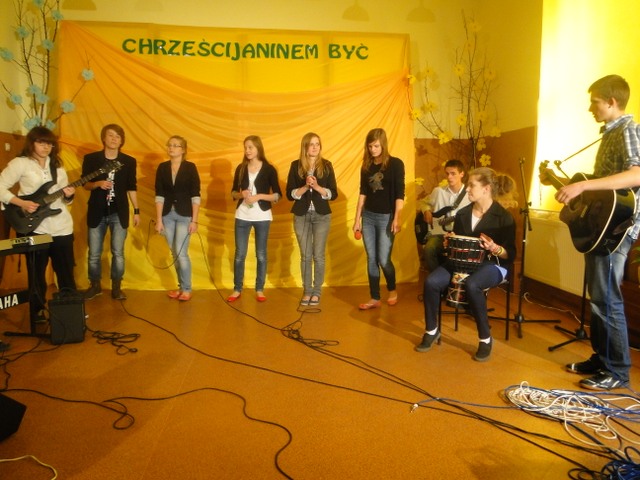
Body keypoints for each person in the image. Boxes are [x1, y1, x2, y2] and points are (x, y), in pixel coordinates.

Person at [551, 74, 640, 391]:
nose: (591, 108)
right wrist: (570, 185)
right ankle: (602, 359)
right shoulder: (610, 134)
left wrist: (583, 186)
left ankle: (617, 370)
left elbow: (636, 173)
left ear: (612, 102)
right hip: (603, 228)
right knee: (598, 298)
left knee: (607, 300)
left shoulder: (629, 129)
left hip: (618, 230)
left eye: (595, 102)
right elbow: (606, 187)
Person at [416, 167, 516, 362]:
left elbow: (509, 255)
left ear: (486, 189)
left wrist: (495, 248)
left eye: (471, 185)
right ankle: (432, 330)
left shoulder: (504, 217)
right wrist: (451, 242)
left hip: (494, 264)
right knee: (431, 282)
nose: (467, 189)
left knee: (473, 284)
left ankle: (485, 339)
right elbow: (458, 246)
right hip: (462, 262)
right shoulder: (463, 214)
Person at [0, 126, 77, 324]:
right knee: (36, 274)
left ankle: (70, 313)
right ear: (32, 143)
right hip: (35, 227)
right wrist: (21, 203)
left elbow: (65, 199)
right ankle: (38, 312)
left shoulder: (58, 166)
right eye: (41, 142)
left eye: (49, 143)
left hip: (61, 227)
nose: (46, 147)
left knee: (66, 272)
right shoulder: (20, 163)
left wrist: (69, 195)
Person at [82, 124, 139, 300]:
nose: (114, 139)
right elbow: (85, 184)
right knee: (94, 253)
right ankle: (95, 285)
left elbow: (131, 187)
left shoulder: (129, 161)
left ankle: (116, 287)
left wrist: (136, 210)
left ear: (121, 141)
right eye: (111, 135)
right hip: (97, 210)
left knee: (118, 252)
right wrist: (97, 184)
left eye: (118, 136)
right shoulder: (91, 159)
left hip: (118, 212)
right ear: (103, 138)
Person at [353, 128, 405, 310]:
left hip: (386, 218)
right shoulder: (366, 166)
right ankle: (374, 297)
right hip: (368, 217)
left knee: (383, 259)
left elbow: (400, 193)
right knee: (372, 258)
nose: (373, 150)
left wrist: (397, 218)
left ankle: (392, 289)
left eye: (376, 146)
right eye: (370, 146)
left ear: (383, 144)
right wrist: (357, 220)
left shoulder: (396, 164)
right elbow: (362, 193)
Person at [286, 132, 338, 306]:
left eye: (317, 144)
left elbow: (333, 193)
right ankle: (307, 291)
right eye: (311, 144)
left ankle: (317, 292)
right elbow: (289, 194)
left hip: (321, 215)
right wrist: (304, 187)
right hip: (301, 216)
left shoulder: (327, 165)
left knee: (318, 255)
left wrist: (316, 187)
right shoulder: (295, 165)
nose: (315, 147)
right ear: (305, 147)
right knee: (305, 256)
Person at [229, 135, 282, 303]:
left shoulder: (269, 169)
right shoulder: (241, 168)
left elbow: (277, 195)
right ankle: (237, 288)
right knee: (240, 254)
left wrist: (259, 196)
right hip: (242, 216)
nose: (247, 150)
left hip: (262, 216)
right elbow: (233, 193)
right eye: (245, 147)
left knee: (261, 254)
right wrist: (241, 194)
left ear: (258, 148)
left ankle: (259, 289)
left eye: (250, 147)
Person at [154, 135, 201, 302]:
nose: (171, 148)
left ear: (183, 150)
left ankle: (187, 288)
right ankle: (181, 287)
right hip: (167, 215)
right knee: (174, 253)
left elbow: (195, 195)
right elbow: (159, 194)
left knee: (181, 253)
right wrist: (159, 219)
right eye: (170, 145)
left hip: (184, 215)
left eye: (176, 145)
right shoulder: (162, 167)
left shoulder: (190, 167)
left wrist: (194, 220)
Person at [418, 159, 471, 272]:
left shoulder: (470, 194)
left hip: (460, 234)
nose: (449, 177)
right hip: (439, 234)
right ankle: (436, 277)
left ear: (462, 174)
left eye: (453, 173)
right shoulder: (438, 191)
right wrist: (426, 211)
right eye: (447, 174)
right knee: (429, 249)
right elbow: (423, 202)